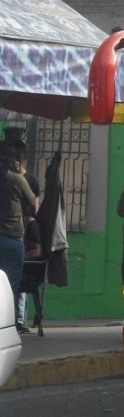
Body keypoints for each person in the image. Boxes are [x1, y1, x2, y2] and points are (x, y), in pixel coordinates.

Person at [0, 140, 37, 333]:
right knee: (9, 287)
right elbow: (33, 204)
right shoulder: (15, 179)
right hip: (12, 238)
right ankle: (7, 327)